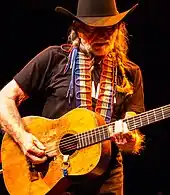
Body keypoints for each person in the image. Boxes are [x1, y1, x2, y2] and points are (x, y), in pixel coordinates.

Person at [0, 0, 145, 194]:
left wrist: (129, 140)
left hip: (105, 177)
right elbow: (4, 98)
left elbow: (131, 132)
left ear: (119, 28)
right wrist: (23, 138)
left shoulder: (130, 73)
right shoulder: (54, 58)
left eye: (109, 28)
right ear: (77, 28)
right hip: (51, 172)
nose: (101, 36)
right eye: (91, 29)